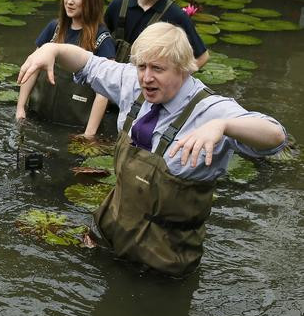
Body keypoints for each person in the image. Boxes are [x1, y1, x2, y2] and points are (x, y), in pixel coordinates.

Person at [17, 22, 286, 276]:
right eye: (141, 66)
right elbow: (88, 63)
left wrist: (224, 125)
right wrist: (52, 49)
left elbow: (275, 136)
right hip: (109, 236)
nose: (146, 78)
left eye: (157, 68)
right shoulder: (133, 83)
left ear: (184, 68)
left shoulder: (210, 110)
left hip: (163, 261)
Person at [16, 0, 116, 136]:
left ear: (91, 1)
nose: (70, 1)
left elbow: (104, 91)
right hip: (39, 117)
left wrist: (89, 133)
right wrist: (20, 108)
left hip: (73, 126)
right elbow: (32, 68)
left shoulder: (102, 39)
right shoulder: (54, 29)